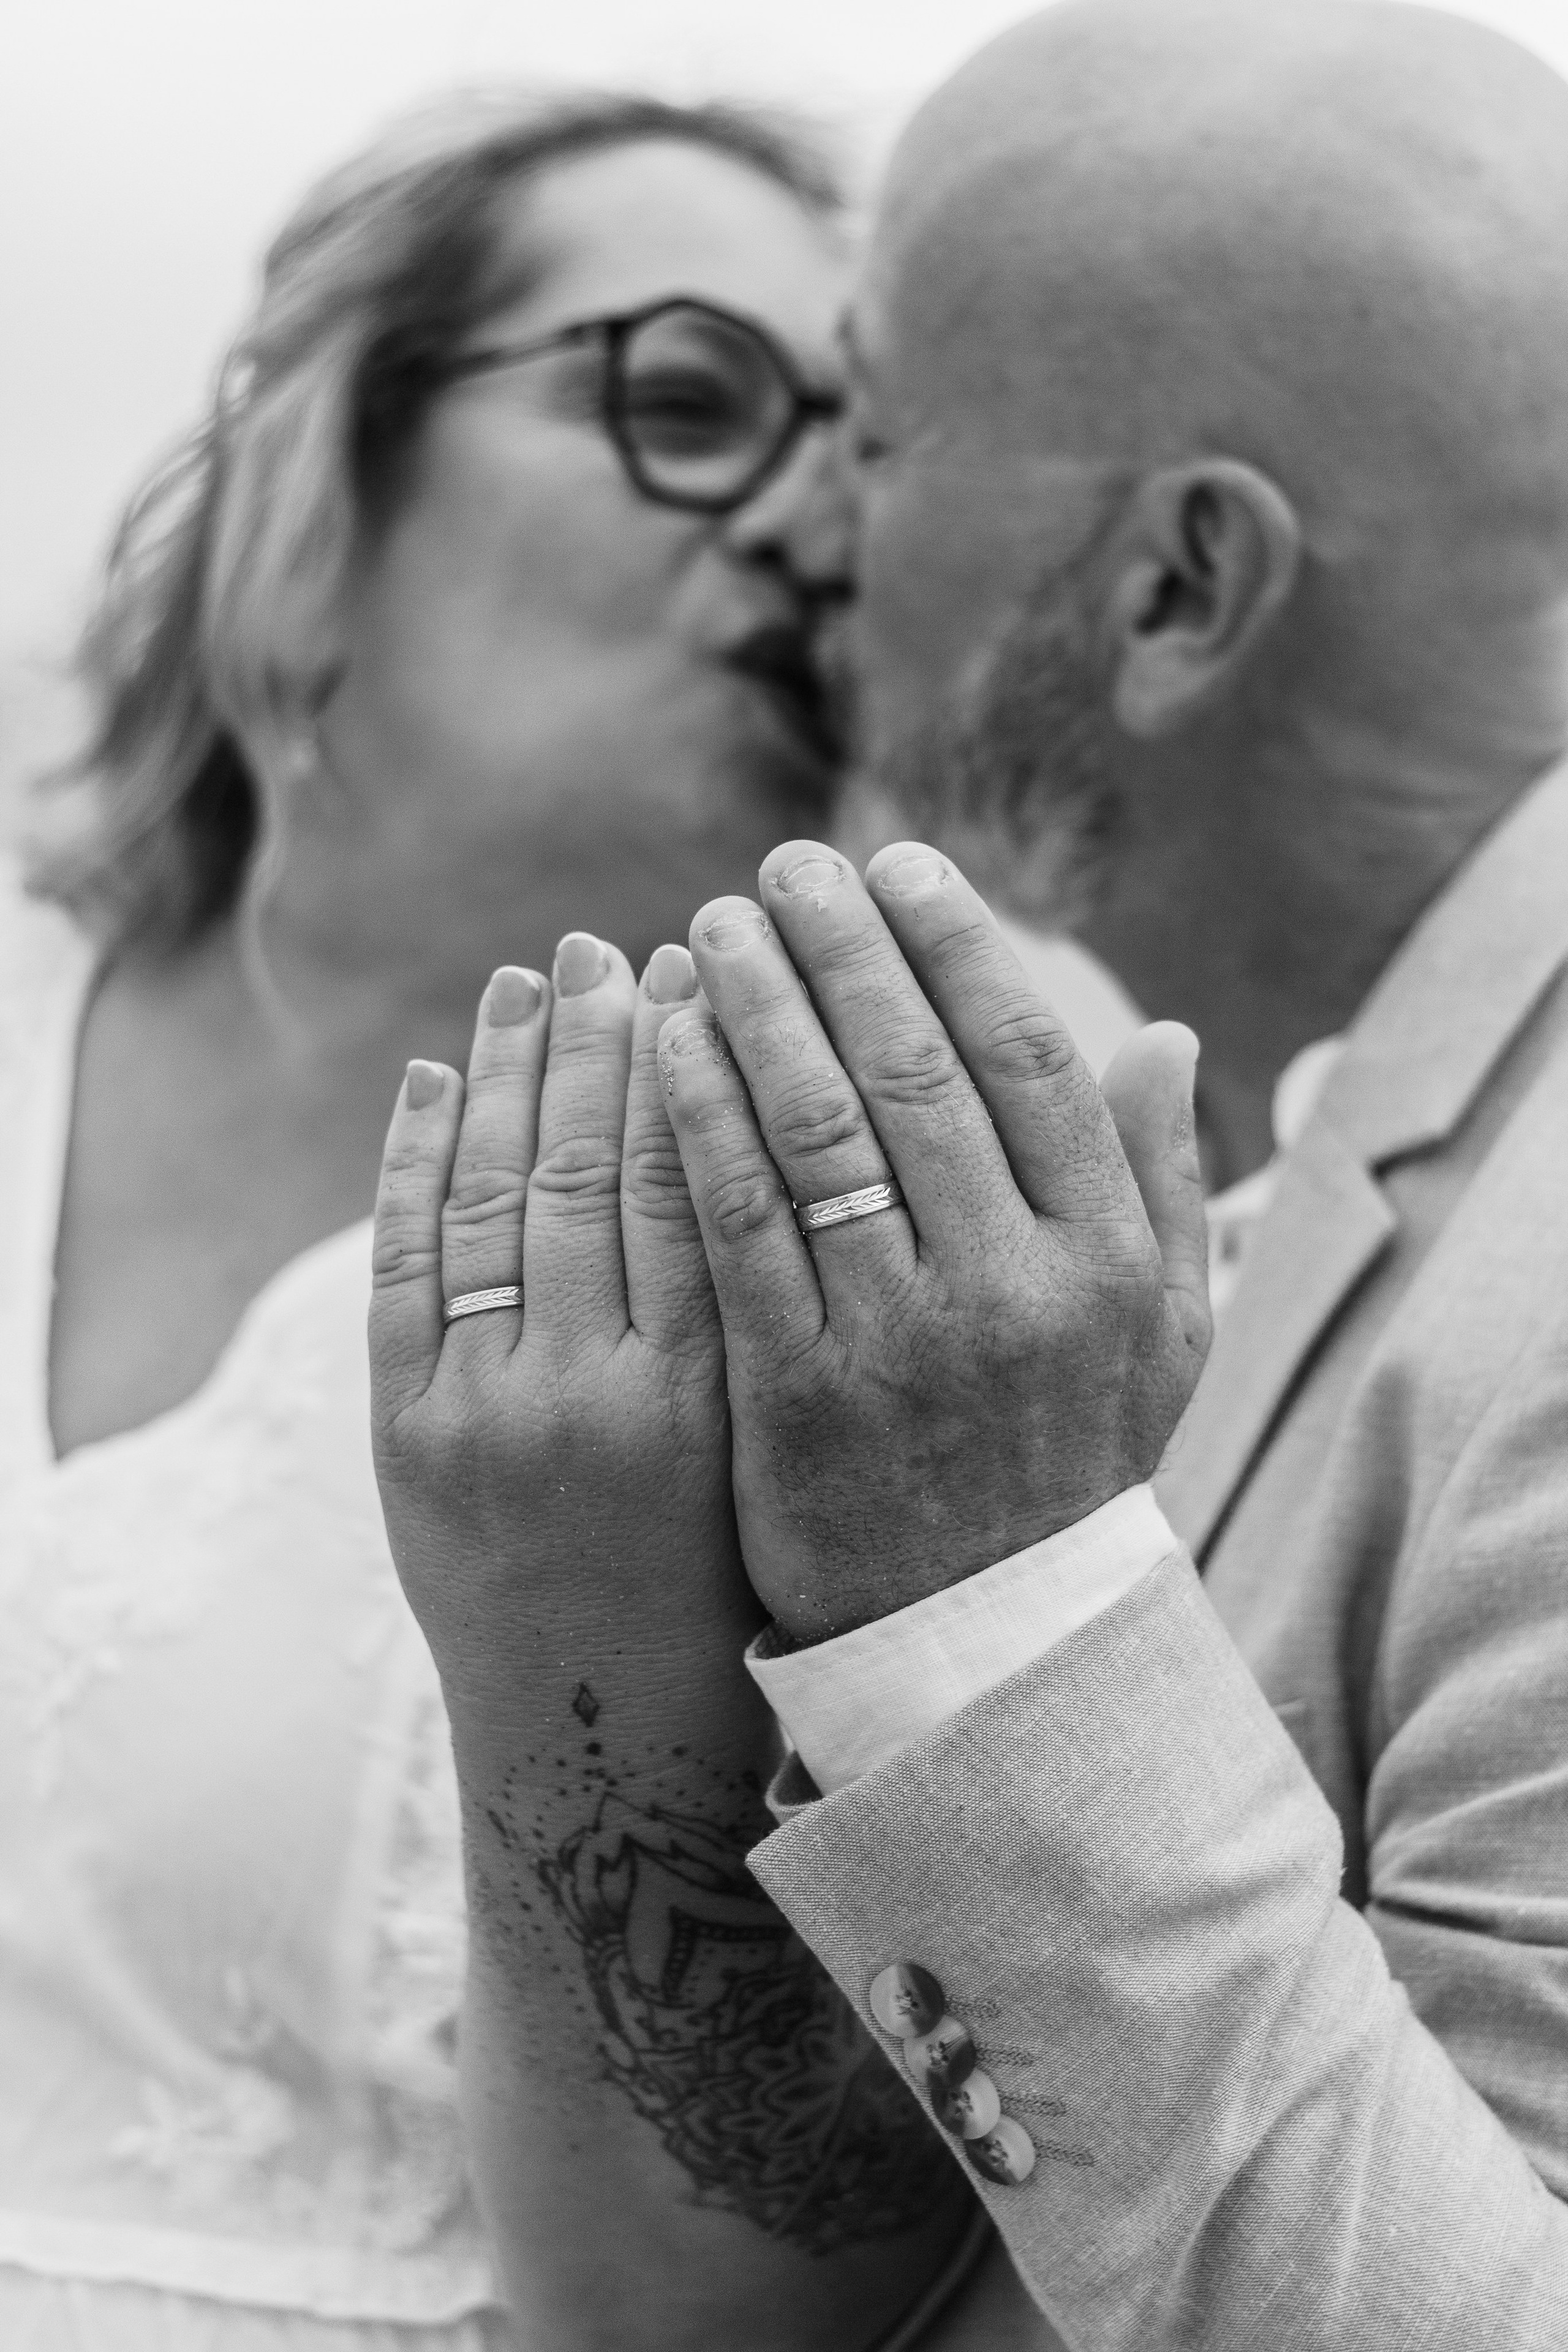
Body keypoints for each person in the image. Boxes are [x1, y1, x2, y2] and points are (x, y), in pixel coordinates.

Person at [368, 1, 1568, 2345]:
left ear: (1175, 591)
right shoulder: (1257, 1156)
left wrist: (1001, 1606)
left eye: (880, 431)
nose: (813, 535)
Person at [0, 88, 971, 2352]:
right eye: (692, 403)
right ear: (327, 457)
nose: (815, 529)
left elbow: (782, 2283)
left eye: (867, 456)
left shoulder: (864, 1271)